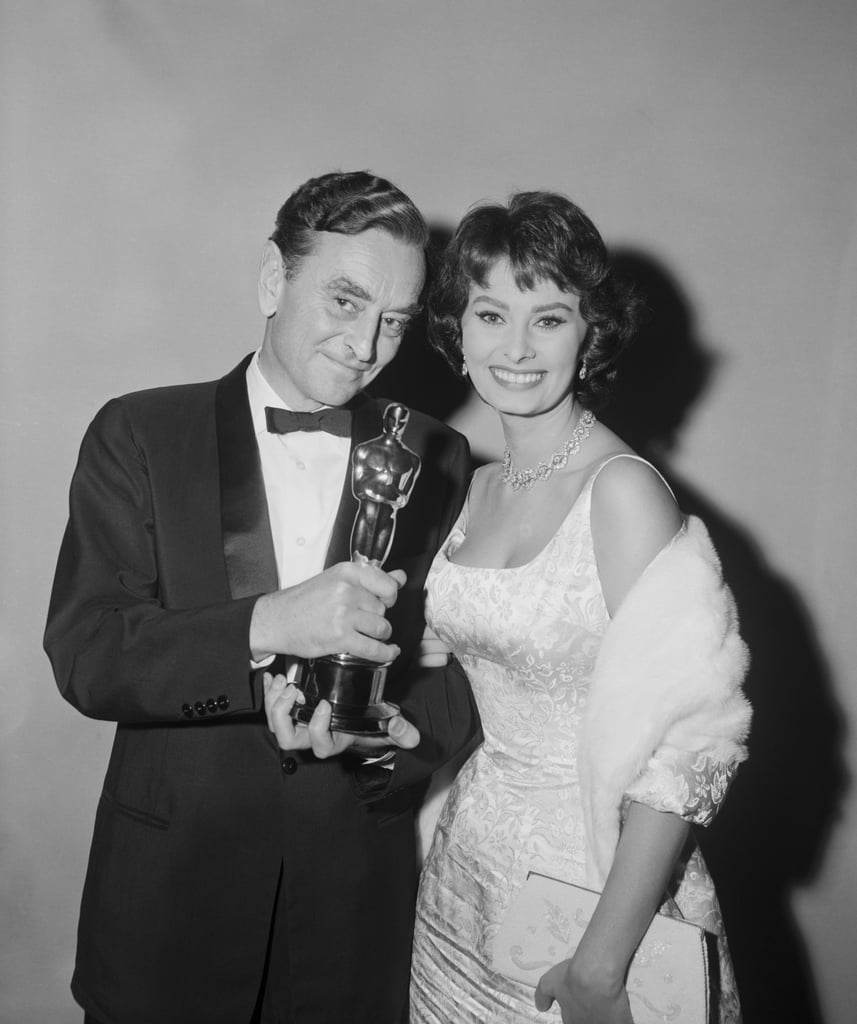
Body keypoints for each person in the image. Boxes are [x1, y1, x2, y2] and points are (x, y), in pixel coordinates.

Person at [44, 170, 480, 1024]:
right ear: (274, 281)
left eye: (395, 320)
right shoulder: (138, 432)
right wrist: (271, 624)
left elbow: (458, 673)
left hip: (351, 925)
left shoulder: (437, 455)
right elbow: (89, 652)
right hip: (168, 914)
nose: (367, 344)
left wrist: (385, 748)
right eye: (346, 302)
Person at [409, 191, 752, 1024]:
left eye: (549, 318)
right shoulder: (473, 485)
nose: (515, 348)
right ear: (457, 332)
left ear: (589, 334)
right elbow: (450, 675)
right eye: (490, 314)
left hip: (596, 905)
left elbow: (691, 748)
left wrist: (601, 963)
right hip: (462, 886)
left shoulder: (623, 492)